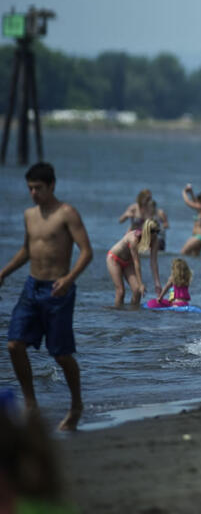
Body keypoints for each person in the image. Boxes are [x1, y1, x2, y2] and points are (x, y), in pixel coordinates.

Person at [1, 162, 93, 431]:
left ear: (52, 186)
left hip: (58, 290)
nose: (33, 193)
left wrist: (68, 279)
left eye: (38, 188)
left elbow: (86, 252)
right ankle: (30, 404)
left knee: (61, 355)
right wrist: (4, 272)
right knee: (14, 344)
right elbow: (27, 250)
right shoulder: (30, 215)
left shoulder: (67, 214)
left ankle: (76, 405)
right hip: (32, 287)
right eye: (30, 188)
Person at [105, 220, 157, 308]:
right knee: (121, 291)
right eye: (153, 232)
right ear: (146, 232)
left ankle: (134, 313)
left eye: (157, 231)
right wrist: (141, 284)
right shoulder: (134, 239)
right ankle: (117, 314)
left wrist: (157, 283)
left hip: (128, 262)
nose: (155, 234)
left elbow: (154, 262)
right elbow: (137, 262)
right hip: (114, 259)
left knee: (137, 291)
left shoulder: (155, 238)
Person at [180, 184, 201, 256]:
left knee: (183, 252)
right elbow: (195, 202)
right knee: (195, 257)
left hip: (199, 236)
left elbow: (188, 202)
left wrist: (183, 192)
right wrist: (191, 192)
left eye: (198, 201)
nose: (197, 202)